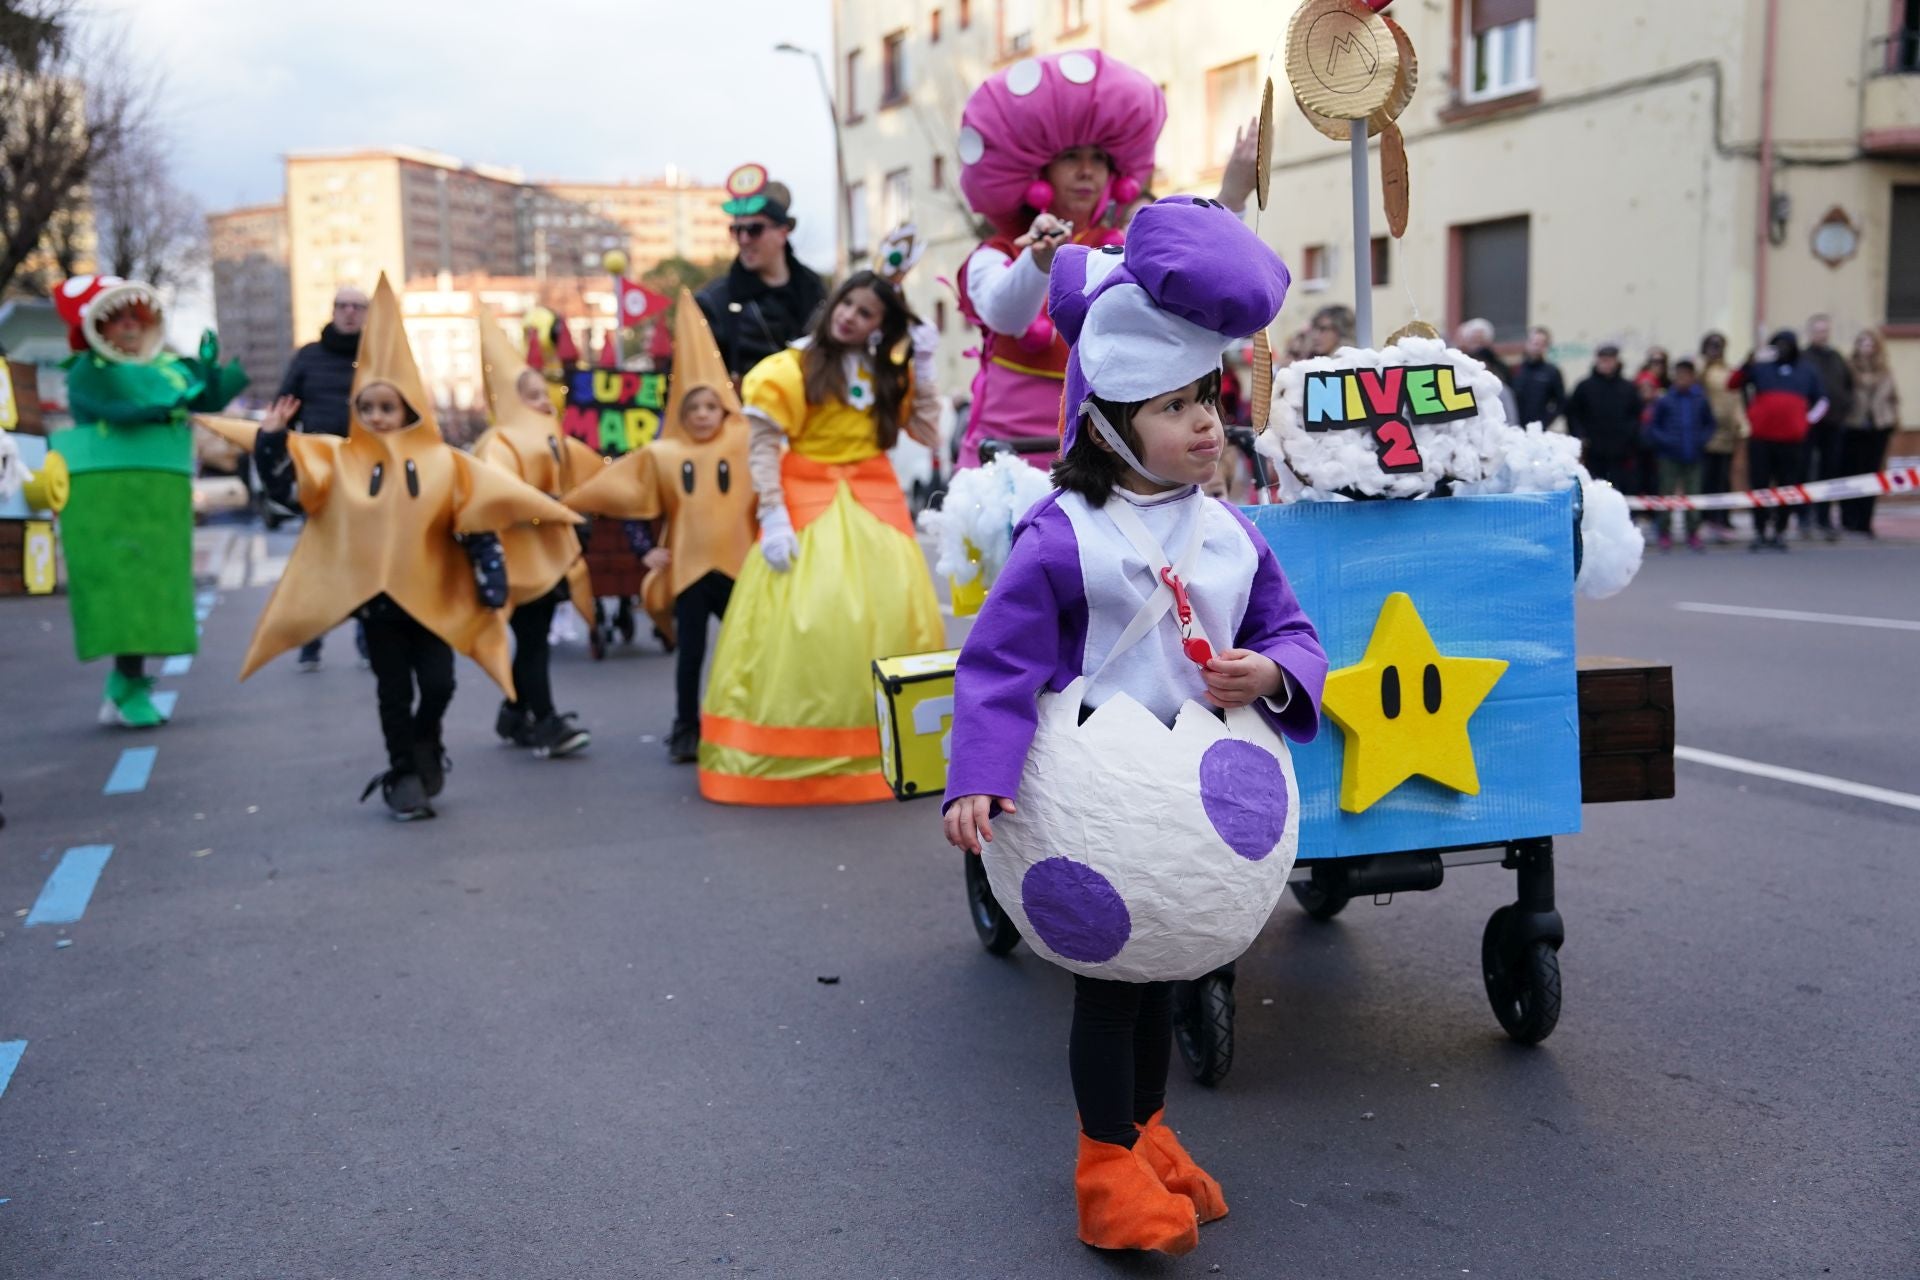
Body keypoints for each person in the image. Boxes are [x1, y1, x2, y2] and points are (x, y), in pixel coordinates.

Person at [943, 198, 1325, 1256]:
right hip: (1093, 809)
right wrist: (978, 773)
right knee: (1113, 988)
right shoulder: (1064, 534)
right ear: (1109, 420)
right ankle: (1105, 1161)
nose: (1207, 422)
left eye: (1208, 396)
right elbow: (1000, 659)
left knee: (1169, 971)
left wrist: (1275, 671)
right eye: (1174, 405)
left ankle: (1148, 1127)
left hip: (1193, 809)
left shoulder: (1231, 532)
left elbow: (1292, 629)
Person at [231, 275, 582, 818]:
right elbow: (288, 491)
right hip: (378, 604)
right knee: (393, 691)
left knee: (439, 684)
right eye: (366, 408)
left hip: (434, 599)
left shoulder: (446, 463)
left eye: (386, 409)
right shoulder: (341, 463)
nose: (375, 418)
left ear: (408, 410)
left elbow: (475, 519)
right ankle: (403, 771)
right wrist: (272, 438)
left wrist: (491, 582)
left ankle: (426, 742)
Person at [697, 271, 944, 804]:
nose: (850, 316)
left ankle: (895, 752)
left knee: (886, 626)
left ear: (882, 326)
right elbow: (762, 447)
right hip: (807, 512)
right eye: (848, 303)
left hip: (876, 515)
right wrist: (774, 515)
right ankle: (795, 758)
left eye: (867, 313)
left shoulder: (885, 374)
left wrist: (922, 370)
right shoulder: (789, 369)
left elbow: (926, 432)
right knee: (810, 633)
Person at [564, 290, 758, 764]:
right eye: (693, 410)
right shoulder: (663, 455)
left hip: (742, 567)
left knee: (750, 653)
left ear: (724, 409)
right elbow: (628, 498)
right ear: (680, 415)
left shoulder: (748, 442)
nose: (703, 416)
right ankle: (685, 727)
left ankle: (750, 723)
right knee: (689, 654)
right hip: (689, 570)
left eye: (711, 407)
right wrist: (642, 551)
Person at [48, 275, 249, 727]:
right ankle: (126, 684)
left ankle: (128, 684)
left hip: (160, 491)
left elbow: (204, 397)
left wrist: (210, 371)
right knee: (123, 591)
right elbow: (131, 407)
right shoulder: (89, 371)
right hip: (109, 495)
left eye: (136, 318)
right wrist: (191, 386)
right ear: (99, 327)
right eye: (118, 319)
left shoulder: (162, 368)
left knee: (156, 591)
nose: (131, 327)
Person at [952, 51, 1166, 469]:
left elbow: (1187, 290)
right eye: (1072, 158)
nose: (1088, 171)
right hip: (1004, 457)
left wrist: (1231, 197)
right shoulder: (996, 252)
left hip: (1091, 454)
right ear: (1040, 173)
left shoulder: (1124, 249)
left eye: (1099, 159)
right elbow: (1005, 315)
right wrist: (1038, 261)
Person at [470, 306, 600, 760]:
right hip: (515, 559)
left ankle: (515, 711)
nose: (543, 403)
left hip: (544, 555)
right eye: (530, 396)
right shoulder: (499, 442)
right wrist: (550, 509)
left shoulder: (551, 438)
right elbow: (498, 489)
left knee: (532, 638)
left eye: (544, 394)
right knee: (531, 638)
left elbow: (589, 472)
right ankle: (543, 720)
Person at [277, 286, 369, 670]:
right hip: (319, 474)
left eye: (357, 307)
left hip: (368, 474)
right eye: (342, 306)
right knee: (318, 561)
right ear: (332, 311)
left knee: (368, 559)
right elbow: (283, 410)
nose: (349, 312)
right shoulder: (308, 357)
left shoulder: (380, 356)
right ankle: (310, 641)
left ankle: (370, 640)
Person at [695, 166, 827, 382]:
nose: (744, 239)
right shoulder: (714, 302)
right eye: (736, 230)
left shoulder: (815, 290)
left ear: (783, 232)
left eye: (754, 229)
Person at [1731, 330, 1828, 552]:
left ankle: (1780, 531)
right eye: (1778, 344)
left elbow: (1822, 400)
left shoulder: (1807, 370)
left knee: (1787, 487)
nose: (1782, 348)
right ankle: (1759, 530)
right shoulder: (1760, 367)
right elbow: (1734, 383)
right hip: (1761, 439)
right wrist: (1749, 360)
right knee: (1760, 486)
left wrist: (1806, 421)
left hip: (1792, 441)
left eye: (1786, 344)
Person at [1645, 358, 1716, 551]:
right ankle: (1664, 532)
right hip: (1669, 456)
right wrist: (1666, 441)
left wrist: (1701, 441)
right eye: (1679, 375)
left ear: (1693, 377)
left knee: (1693, 495)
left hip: (1694, 455)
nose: (1682, 379)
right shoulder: (1665, 400)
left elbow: (1709, 424)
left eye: (1686, 375)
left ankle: (1693, 532)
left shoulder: (1700, 399)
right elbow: (1653, 426)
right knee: (1667, 494)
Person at [1839, 327, 1900, 536]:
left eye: (1870, 344)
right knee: (1850, 473)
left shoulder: (1885, 371)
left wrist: (1892, 419)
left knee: (1872, 475)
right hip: (1854, 426)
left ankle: (1866, 520)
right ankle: (1849, 518)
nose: (1867, 348)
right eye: (1863, 343)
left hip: (1878, 427)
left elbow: (1893, 397)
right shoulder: (1849, 368)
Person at [1802, 313, 1855, 540]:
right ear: (1810, 332)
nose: (1822, 334)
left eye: (1825, 330)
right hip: (1808, 424)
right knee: (1805, 470)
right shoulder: (1803, 358)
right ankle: (1804, 517)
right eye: (1818, 330)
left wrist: (1844, 408)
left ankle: (1824, 518)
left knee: (1829, 470)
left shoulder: (1836, 357)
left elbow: (1848, 385)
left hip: (1833, 423)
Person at [1565, 344, 1642, 492]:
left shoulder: (1628, 388)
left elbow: (1636, 416)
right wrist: (1580, 436)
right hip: (1593, 452)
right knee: (1593, 488)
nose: (1607, 364)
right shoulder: (1585, 387)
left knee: (1617, 488)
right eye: (1603, 360)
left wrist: (1629, 436)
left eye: (1610, 360)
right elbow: (1573, 414)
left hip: (1620, 452)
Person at [1697, 332, 1747, 540]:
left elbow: (1736, 397)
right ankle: (1704, 517)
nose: (1716, 350)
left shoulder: (1729, 371)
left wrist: (1742, 424)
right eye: (1712, 346)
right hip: (1706, 431)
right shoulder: (1700, 369)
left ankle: (1722, 516)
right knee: (1705, 477)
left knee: (1724, 476)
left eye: (1719, 346)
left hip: (1726, 432)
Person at [1512, 326, 1567, 429]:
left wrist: (1545, 421)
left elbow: (1561, 402)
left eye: (1542, 344)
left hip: (1537, 430)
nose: (1537, 347)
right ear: (1527, 343)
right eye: (1534, 343)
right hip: (1513, 427)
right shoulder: (1515, 370)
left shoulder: (1552, 372)